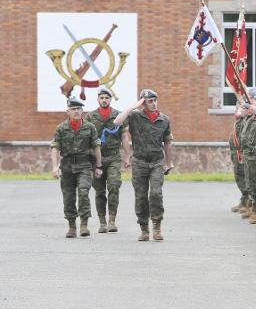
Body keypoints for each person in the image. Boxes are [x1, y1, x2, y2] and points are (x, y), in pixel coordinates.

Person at [114, 89, 174, 241]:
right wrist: (133, 106)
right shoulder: (134, 116)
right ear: (143, 103)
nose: (154, 104)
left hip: (156, 162)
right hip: (139, 161)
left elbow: (167, 142)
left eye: (155, 100)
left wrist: (169, 162)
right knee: (140, 196)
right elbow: (117, 121)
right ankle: (144, 228)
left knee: (156, 193)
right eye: (150, 101)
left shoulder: (164, 119)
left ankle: (157, 226)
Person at [50, 96, 102, 238]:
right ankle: (72, 226)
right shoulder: (61, 128)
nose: (77, 111)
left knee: (84, 192)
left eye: (79, 109)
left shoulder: (89, 127)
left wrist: (99, 166)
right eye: (73, 109)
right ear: (68, 111)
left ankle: (84, 224)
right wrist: (55, 167)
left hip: (84, 165)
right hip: (67, 166)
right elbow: (55, 148)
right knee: (68, 196)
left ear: (82, 111)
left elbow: (96, 146)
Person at [85, 87, 131, 233]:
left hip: (113, 157)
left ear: (110, 99)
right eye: (102, 98)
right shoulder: (90, 117)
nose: (104, 100)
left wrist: (127, 155)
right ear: (98, 99)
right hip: (96, 159)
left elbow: (124, 136)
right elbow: (86, 138)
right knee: (99, 191)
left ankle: (112, 220)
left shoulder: (118, 115)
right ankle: (102, 222)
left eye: (107, 98)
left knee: (114, 186)